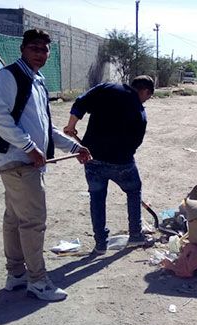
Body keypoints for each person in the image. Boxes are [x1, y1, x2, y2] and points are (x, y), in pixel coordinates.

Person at [0, 29, 91, 302]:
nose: (40, 53)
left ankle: (16, 274)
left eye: (44, 49)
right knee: (33, 222)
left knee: (14, 219)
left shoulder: (37, 81)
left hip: (25, 161)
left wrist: (74, 147)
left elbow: (46, 126)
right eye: (34, 47)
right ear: (22, 49)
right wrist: (28, 147)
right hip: (19, 162)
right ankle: (37, 281)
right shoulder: (9, 77)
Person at [63, 75, 155, 254]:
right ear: (144, 91)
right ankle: (135, 235)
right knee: (134, 190)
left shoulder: (107, 88)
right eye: (148, 96)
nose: (146, 101)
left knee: (97, 198)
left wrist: (71, 125)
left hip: (92, 158)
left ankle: (100, 244)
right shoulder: (139, 113)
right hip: (122, 163)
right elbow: (135, 144)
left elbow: (81, 102)